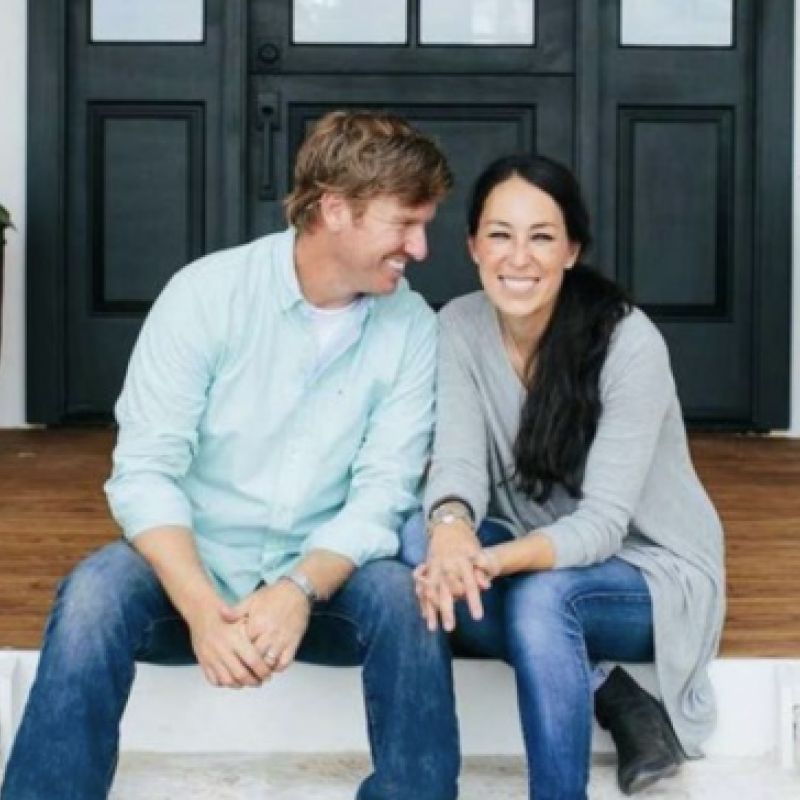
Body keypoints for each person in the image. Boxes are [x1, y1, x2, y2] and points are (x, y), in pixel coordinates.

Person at [1, 111, 460, 800]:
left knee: (403, 597)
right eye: (405, 223)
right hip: (195, 574)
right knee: (95, 594)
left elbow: (383, 493)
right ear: (336, 209)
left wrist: (298, 590)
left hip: (319, 586)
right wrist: (201, 611)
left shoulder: (412, 329)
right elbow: (146, 472)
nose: (420, 248)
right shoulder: (206, 296)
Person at [401, 154, 725, 800]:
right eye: (500, 234)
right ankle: (612, 688)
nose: (518, 257)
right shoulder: (458, 325)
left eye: (541, 236)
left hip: (649, 572)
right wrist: (451, 527)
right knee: (419, 545)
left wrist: (491, 562)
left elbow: (604, 526)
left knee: (543, 597)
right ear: (472, 246)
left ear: (572, 250)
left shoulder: (627, 341)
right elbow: (459, 463)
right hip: (538, 550)